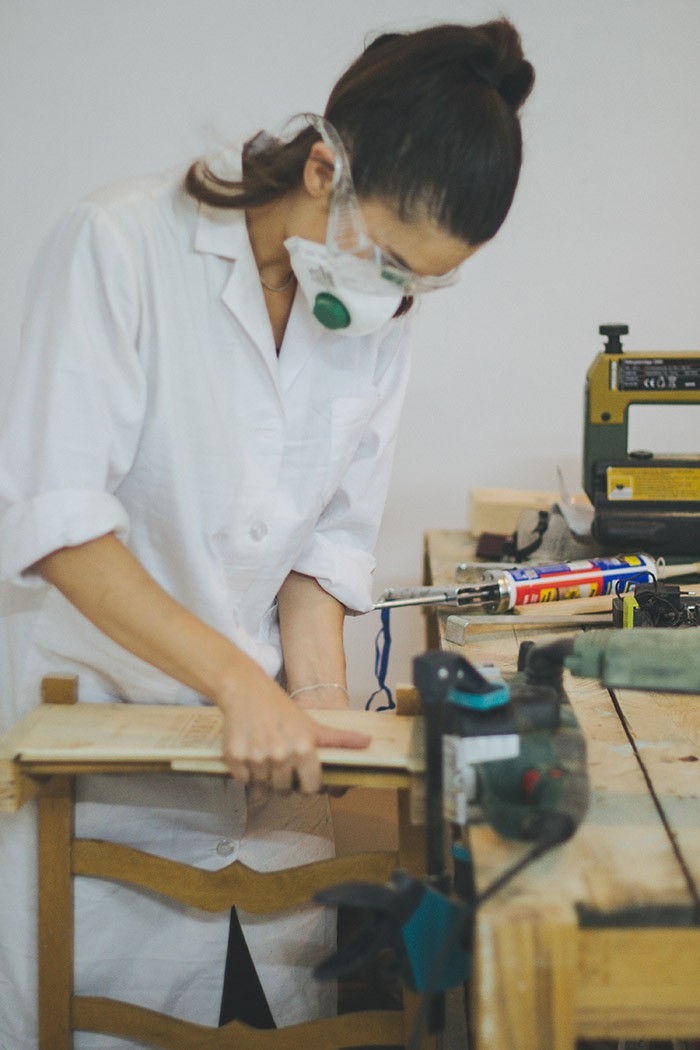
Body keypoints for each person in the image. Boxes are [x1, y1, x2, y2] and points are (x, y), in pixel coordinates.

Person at [0, 17, 534, 1048]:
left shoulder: (376, 317)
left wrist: (318, 699)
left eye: (426, 278)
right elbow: (61, 523)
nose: (396, 295)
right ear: (326, 167)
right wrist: (240, 686)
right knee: (101, 1016)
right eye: (389, 257)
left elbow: (326, 544)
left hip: (271, 750)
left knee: (276, 1022)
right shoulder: (119, 244)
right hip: (107, 727)